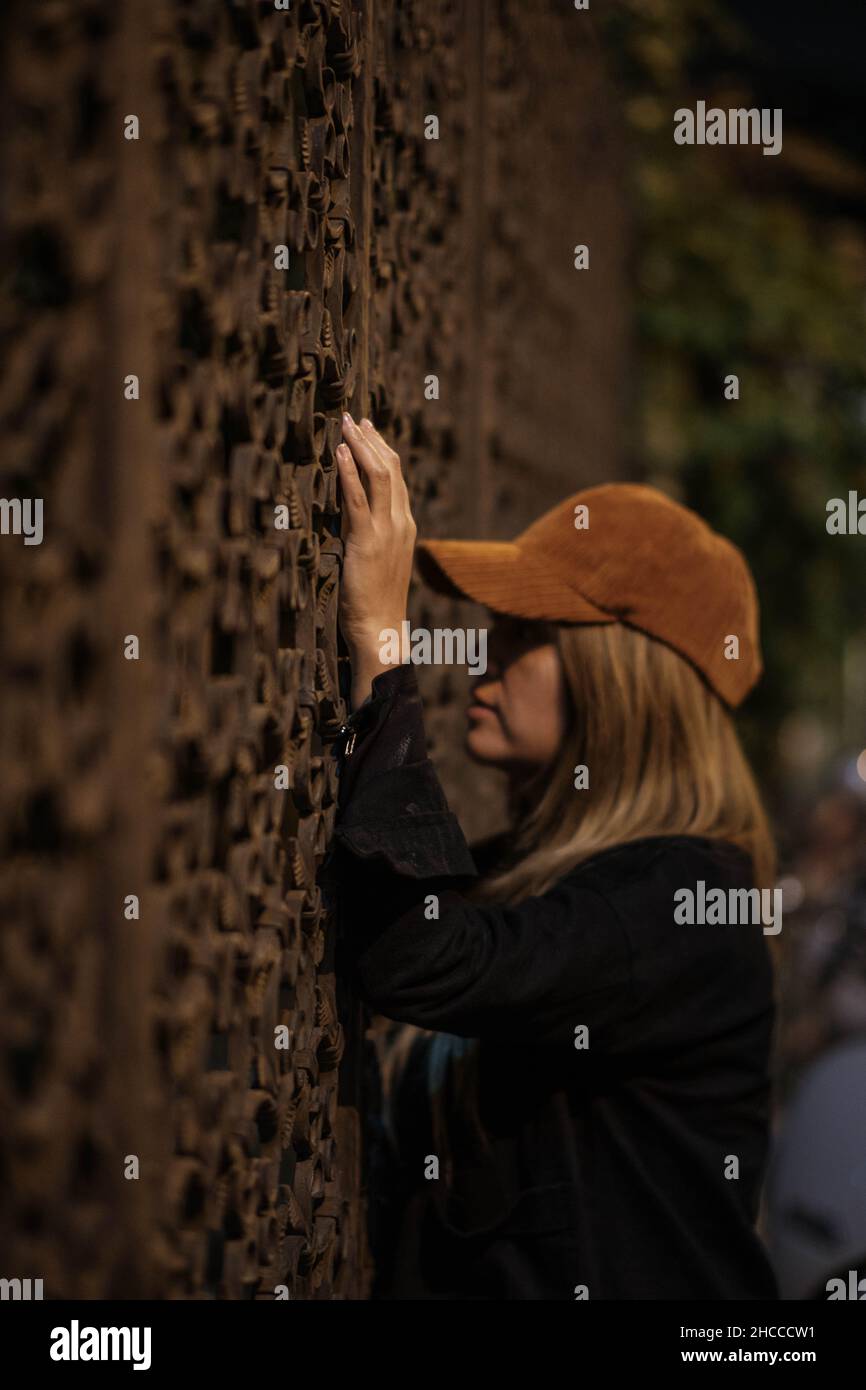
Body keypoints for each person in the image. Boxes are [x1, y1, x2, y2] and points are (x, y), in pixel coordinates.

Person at [326, 411, 780, 1301]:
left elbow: (420, 956)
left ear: (622, 678)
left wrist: (382, 643)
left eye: (528, 632)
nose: (485, 661)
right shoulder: (555, 871)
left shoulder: (686, 898)